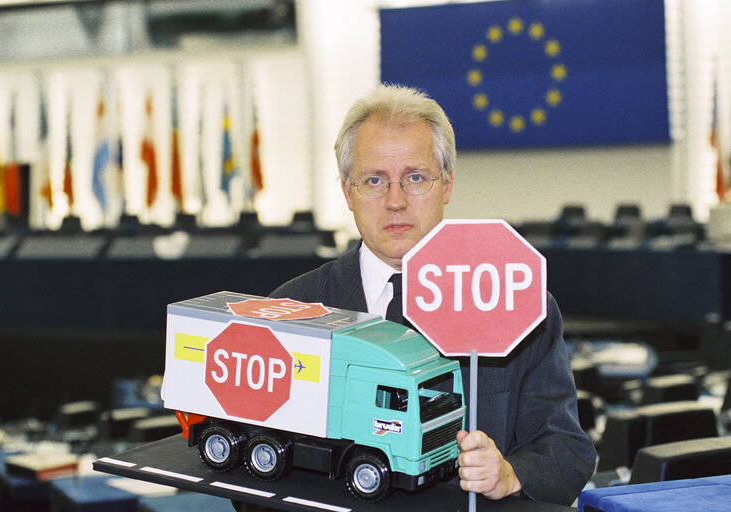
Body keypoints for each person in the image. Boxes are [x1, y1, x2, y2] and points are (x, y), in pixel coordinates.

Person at [234, 84, 596, 511]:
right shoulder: (291, 311)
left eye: (415, 178)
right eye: (374, 180)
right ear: (347, 192)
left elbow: (567, 450)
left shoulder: (518, 302)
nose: (395, 201)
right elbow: (249, 484)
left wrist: (511, 475)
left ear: (446, 186)